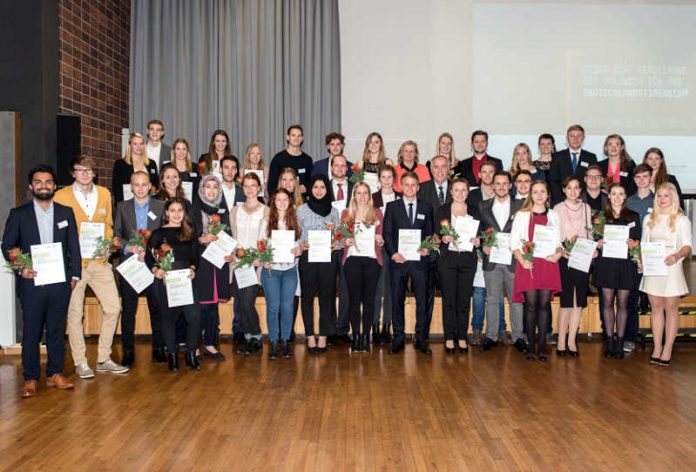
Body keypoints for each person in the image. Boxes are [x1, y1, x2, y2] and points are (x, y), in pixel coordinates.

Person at [2, 164, 80, 398]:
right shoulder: (19, 214)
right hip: (31, 282)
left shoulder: (66, 213)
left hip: (60, 282)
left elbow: (73, 247)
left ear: (55, 186)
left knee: (56, 329)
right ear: (31, 186)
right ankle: (30, 377)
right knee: (32, 331)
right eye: (38, 182)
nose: (43, 185)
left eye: (48, 182)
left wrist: (75, 274)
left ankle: (55, 373)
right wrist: (21, 268)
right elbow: (8, 246)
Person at [53, 155, 128, 378]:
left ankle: (104, 358)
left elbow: (108, 225)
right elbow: (58, 229)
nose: (85, 174)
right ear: (72, 173)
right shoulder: (61, 196)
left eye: (89, 170)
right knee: (75, 313)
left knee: (114, 307)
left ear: (94, 173)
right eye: (80, 170)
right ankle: (80, 361)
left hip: (99, 261)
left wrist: (108, 245)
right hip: (74, 264)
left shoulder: (104, 194)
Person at [113, 171, 165, 366]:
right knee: (128, 310)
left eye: (144, 184)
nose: (141, 188)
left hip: (152, 266)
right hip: (130, 266)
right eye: (137, 184)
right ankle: (128, 350)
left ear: (150, 186)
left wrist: (151, 251)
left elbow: (164, 235)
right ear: (131, 186)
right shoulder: (122, 207)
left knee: (156, 308)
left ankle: (158, 348)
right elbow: (116, 235)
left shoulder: (160, 206)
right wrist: (129, 247)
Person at [145, 197, 201, 372]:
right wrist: (156, 270)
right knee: (168, 320)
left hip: (185, 280)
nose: (176, 214)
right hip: (166, 282)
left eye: (180, 210)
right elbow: (149, 257)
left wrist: (193, 268)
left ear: (184, 213)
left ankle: (191, 353)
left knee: (194, 317)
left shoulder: (190, 233)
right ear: (167, 213)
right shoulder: (158, 234)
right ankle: (173, 357)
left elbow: (195, 256)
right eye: (173, 210)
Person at [510, 181, 563, 361]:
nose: (539, 195)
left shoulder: (554, 215)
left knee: (544, 305)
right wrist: (522, 261)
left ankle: (542, 347)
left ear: (548, 194)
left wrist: (558, 254)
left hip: (548, 264)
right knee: (531, 305)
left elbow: (558, 243)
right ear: (530, 194)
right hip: (529, 265)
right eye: (535, 192)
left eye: (543, 191)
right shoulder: (522, 215)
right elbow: (514, 243)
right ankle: (530, 347)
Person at [640, 183, 692, 366]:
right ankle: (656, 347)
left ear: (673, 198)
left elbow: (687, 246)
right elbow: (643, 244)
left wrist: (676, 256)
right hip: (653, 267)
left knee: (671, 308)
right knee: (655, 307)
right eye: (659, 196)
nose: (662, 199)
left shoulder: (681, 219)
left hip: (672, 265)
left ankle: (668, 348)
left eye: (666, 196)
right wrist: (641, 259)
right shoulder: (649, 218)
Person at [383, 172, 434, 354]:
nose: (410, 188)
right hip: (399, 261)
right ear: (400, 186)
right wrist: (393, 253)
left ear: (418, 187)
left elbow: (430, 233)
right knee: (397, 300)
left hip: (420, 262)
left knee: (423, 301)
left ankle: (421, 338)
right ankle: (398, 337)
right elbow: (387, 234)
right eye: (406, 184)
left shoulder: (427, 207)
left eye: (414, 185)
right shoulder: (392, 207)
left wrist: (428, 247)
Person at [479, 171, 526, 352]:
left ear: (510, 185)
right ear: (492, 186)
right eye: (497, 184)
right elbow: (480, 231)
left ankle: (517, 336)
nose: (501, 187)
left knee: (516, 299)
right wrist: (483, 245)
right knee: (491, 299)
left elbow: (524, 232)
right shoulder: (483, 206)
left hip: (514, 259)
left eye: (504, 183)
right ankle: (491, 336)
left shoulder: (520, 205)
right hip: (492, 260)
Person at [593, 183, 641, 358]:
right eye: (614, 193)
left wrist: (634, 244)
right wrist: (597, 243)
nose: (617, 197)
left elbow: (638, 240)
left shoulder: (633, 217)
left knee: (622, 304)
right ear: (609, 196)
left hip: (625, 265)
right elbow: (594, 240)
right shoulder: (600, 217)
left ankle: (620, 341)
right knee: (606, 303)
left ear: (625, 196)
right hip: (606, 264)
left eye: (621, 193)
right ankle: (610, 341)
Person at [434, 178, 479, 354]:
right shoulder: (442, 210)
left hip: (468, 260)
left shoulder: (475, 211)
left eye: (463, 190)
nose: (460, 193)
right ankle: (449, 337)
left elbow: (480, 236)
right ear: (451, 192)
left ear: (468, 192)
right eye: (456, 190)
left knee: (463, 301)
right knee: (449, 301)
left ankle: (462, 335)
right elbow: (436, 234)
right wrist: (443, 238)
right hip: (447, 260)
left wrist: (478, 241)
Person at [297, 175, 341, 354]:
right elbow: (296, 233)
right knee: (307, 297)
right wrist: (301, 243)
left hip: (327, 259)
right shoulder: (301, 210)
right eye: (315, 186)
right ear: (310, 188)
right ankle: (309, 335)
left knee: (326, 297)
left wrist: (335, 244)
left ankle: (323, 335)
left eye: (322, 187)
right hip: (308, 258)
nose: (319, 190)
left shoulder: (334, 211)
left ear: (327, 189)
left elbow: (338, 236)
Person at [341, 182, 385, 352]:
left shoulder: (377, 213)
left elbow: (381, 237)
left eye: (365, 193)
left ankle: (366, 336)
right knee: (354, 301)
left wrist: (380, 240)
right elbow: (340, 237)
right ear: (354, 195)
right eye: (358, 193)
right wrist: (344, 241)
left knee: (369, 301)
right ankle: (356, 336)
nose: (362, 196)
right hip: (352, 260)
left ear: (369, 195)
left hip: (372, 261)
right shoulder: (346, 214)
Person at [192, 174, 232, 361]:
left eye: (215, 187)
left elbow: (230, 235)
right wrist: (201, 238)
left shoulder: (223, 211)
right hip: (200, 263)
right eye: (208, 187)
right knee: (201, 306)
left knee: (213, 305)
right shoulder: (193, 210)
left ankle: (210, 343)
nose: (211, 190)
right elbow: (186, 237)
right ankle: (195, 345)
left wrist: (230, 251)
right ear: (202, 189)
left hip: (218, 263)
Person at [260, 189, 303, 359]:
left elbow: (300, 246)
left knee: (287, 307)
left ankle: (285, 341)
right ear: (274, 201)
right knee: (273, 307)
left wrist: (297, 250)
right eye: (279, 199)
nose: (282, 203)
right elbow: (261, 244)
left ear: (290, 202)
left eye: (285, 199)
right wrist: (265, 258)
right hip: (271, 270)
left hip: (289, 270)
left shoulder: (295, 221)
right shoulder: (265, 222)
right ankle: (273, 341)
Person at [553, 176, 593, 357]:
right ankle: (561, 340)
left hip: (582, 259)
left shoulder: (586, 208)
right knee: (567, 301)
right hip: (565, 258)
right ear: (563, 190)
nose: (573, 191)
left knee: (579, 302)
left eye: (576, 188)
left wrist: (593, 250)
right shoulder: (557, 209)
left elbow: (589, 233)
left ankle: (572, 341)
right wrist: (562, 251)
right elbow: (554, 236)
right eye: (569, 188)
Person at [229, 173, 268, 355]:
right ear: (242, 188)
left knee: (247, 303)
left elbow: (267, 239)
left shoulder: (266, 210)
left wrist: (260, 257)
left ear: (260, 187)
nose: (250, 189)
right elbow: (233, 237)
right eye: (246, 185)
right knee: (240, 303)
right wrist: (231, 255)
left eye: (254, 185)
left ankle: (257, 336)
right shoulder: (235, 210)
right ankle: (247, 338)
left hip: (254, 262)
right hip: (238, 263)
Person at [418, 155, 452, 346]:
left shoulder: (458, 189)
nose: (439, 170)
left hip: (451, 253)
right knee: (426, 296)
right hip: (428, 252)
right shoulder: (422, 189)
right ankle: (422, 336)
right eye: (436, 167)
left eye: (443, 167)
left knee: (449, 297)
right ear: (431, 170)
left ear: (448, 168)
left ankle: (451, 336)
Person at [625, 164, 654, 352]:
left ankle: (662, 336)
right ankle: (631, 336)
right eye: (638, 177)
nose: (642, 180)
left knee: (656, 298)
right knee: (631, 297)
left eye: (645, 176)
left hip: (653, 256)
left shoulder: (659, 200)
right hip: (632, 256)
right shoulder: (628, 202)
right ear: (634, 179)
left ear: (651, 177)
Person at [372, 164, 401, 344]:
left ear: (394, 179)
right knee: (377, 288)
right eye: (383, 177)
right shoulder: (372, 198)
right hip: (376, 248)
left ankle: (387, 325)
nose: (387, 180)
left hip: (395, 249)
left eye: (390, 177)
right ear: (379, 179)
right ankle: (375, 326)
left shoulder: (401, 197)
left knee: (392, 288)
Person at [549, 124, 598, 205]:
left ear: (583, 138)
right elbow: (553, 180)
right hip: (561, 201)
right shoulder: (558, 156)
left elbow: (593, 180)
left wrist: (581, 198)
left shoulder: (591, 157)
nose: (575, 139)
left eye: (578, 136)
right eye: (572, 136)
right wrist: (564, 199)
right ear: (567, 138)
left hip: (584, 201)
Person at [112, 132, 159, 204]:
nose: (139, 147)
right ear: (129, 145)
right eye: (135, 144)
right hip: (127, 205)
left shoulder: (151, 164)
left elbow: (156, 186)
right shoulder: (120, 164)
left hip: (149, 204)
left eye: (141, 143)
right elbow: (116, 189)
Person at [268, 124, 313, 196]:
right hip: (283, 203)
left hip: (301, 202)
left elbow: (311, 183)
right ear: (288, 137)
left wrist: (306, 187)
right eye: (293, 135)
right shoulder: (278, 159)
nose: (296, 138)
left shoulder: (307, 160)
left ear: (302, 138)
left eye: (299, 136)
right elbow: (271, 186)